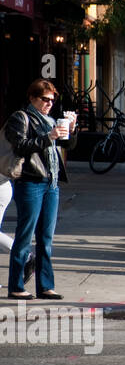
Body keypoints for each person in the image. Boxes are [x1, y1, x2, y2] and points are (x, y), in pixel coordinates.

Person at [5, 80, 71, 300]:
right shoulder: (20, 118)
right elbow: (21, 146)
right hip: (30, 182)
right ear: (32, 98)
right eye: (45, 99)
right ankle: (15, 286)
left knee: (46, 238)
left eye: (52, 100)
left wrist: (71, 129)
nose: (49, 104)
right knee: (25, 235)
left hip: (51, 183)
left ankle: (46, 286)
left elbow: (67, 146)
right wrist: (49, 136)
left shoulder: (51, 120)